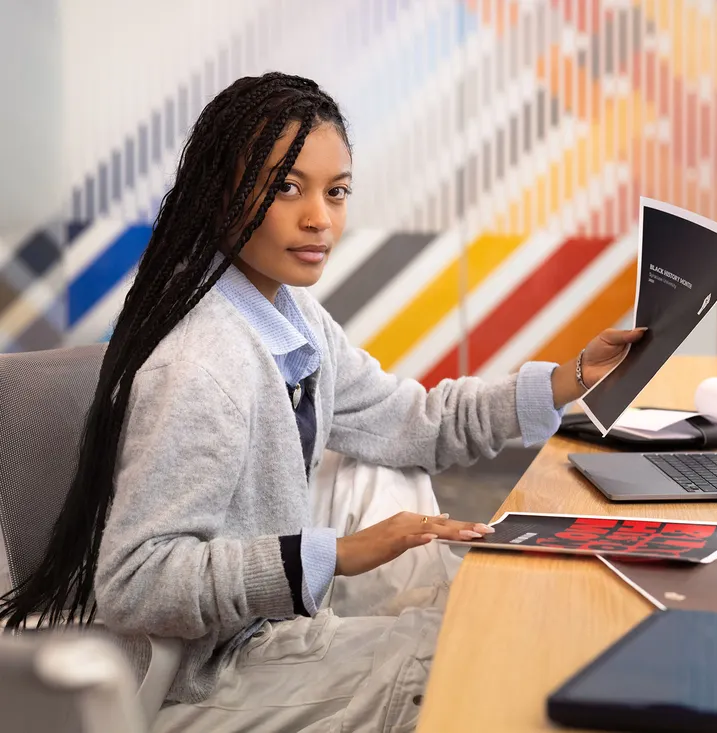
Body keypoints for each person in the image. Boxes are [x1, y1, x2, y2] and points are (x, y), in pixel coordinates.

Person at [0, 72, 642, 732]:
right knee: (468, 665)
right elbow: (137, 583)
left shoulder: (289, 314)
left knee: (392, 474)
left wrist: (568, 379)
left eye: (336, 192)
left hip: (261, 632)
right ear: (223, 197)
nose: (321, 218)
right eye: (287, 188)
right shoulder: (203, 366)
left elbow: (414, 421)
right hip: (202, 682)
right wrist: (335, 552)